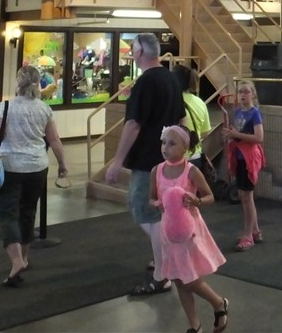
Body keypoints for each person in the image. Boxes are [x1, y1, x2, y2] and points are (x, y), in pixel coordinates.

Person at [105, 33, 186, 296]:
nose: (131, 53)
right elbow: (181, 119)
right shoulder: (171, 79)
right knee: (157, 212)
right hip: (166, 159)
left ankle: (162, 273)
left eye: (132, 49)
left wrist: (117, 161)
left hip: (147, 160)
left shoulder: (145, 82)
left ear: (140, 53)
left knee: (144, 211)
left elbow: (133, 124)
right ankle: (164, 258)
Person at [0, 65, 68, 287]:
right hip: (37, 167)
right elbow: (54, 140)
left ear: (18, 83)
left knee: (7, 213)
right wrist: (62, 165)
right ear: (38, 83)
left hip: (10, 167)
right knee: (28, 212)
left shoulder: (6, 106)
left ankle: (16, 261)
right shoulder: (44, 108)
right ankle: (24, 257)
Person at [150, 125, 229, 333]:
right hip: (168, 233)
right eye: (163, 142)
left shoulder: (191, 171)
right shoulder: (156, 171)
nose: (165, 147)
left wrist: (197, 201)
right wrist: (156, 203)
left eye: (171, 143)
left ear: (185, 148)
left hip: (189, 233)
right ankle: (194, 325)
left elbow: (209, 196)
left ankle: (218, 302)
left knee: (189, 278)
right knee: (178, 279)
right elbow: (152, 197)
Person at [223, 81, 265, 252]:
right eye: (240, 92)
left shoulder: (255, 113)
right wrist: (231, 134)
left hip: (249, 158)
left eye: (246, 92)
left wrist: (236, 134)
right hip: (240, 155)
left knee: (247, 196)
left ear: (253, 94)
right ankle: (255, 231)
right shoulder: (238, 112)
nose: (243, 95)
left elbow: (259, 138)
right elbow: (240, 134)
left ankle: (248, 235)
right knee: (244, 195)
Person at [175, 65, 211, 167]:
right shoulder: (200, 102)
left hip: (174, 157)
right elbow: (205, 132)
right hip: (195, 156)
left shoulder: (170, 101)